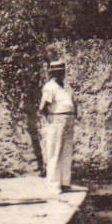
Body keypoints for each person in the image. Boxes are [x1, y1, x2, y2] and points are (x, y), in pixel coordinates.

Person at [38, 59, 79, 194]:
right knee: (54, 151)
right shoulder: (50, 87)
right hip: (56, 119)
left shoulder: (67, 86)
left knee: (67, 151)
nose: (60, 74)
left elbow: (73, 102)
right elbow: (43, 107)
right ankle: (53, 185)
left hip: (69, 118)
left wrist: (75, 114)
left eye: (62, 71)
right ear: (52, 73)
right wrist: (51, 119)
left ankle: (65, 182)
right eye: (57, 72)